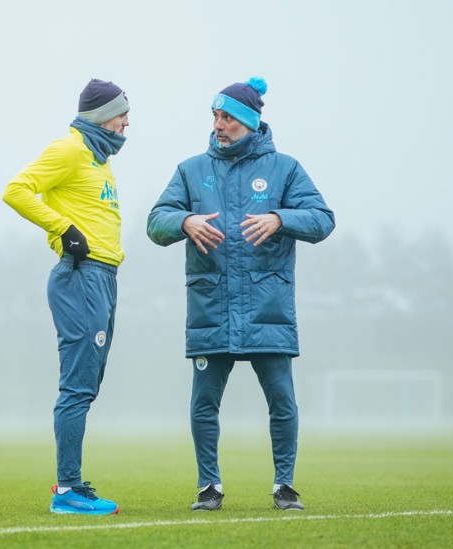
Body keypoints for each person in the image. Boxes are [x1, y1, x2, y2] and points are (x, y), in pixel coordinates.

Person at [147, 77, 334, 511]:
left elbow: (323, 219)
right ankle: (208, 486)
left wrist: (280, 218)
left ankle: (284, 486)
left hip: (268, 311)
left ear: (250, 123)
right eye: (215, 116)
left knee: (282, 402)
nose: (219, 125)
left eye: (228, 117)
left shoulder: (285, 169)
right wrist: (184, 223)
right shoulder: (190, 170)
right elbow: (156, 222)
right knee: (203, 404)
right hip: (211, 310)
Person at [2, 78, 130, 515]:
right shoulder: (71, 148)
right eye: (119, 113)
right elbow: (15, 190)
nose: (126, 121)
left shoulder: (99, 160)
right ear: (98, 116)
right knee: (77, 385)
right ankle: (67, 491)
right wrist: (62, 229)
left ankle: (71, 486)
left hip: (104, 277)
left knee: (88, 385)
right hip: (81, 276)